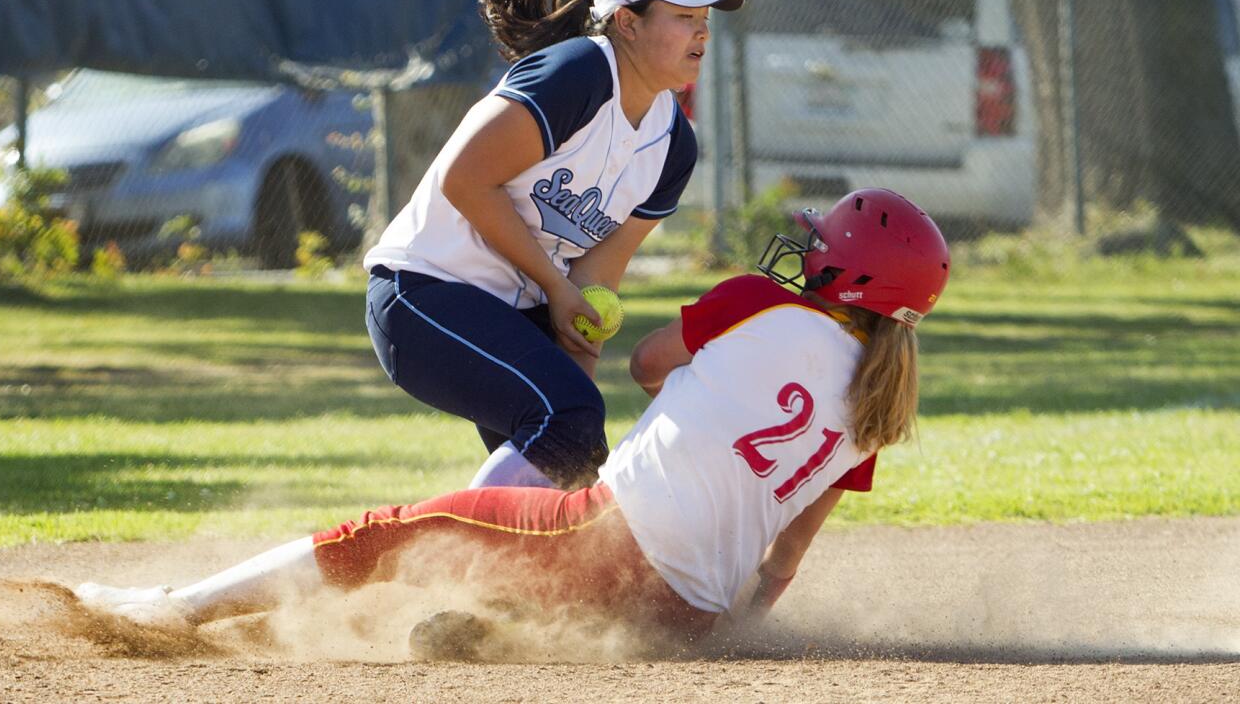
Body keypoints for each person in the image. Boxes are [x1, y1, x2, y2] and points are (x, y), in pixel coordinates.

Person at [75, 189, 951, 646]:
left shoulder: (761, 300)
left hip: (607, 538)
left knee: (401, 532)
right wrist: (730, 637)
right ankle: (505, 631)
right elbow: (784, 559)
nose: (808, 254)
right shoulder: (876, 410)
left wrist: (698, 409)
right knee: (558, 582)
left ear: (853, 279)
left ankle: (173, 611)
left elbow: (649, 364)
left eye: (825, 249)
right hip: (693, 615)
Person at [363, 0, 745, 491]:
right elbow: (466, 180)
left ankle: (488, 570)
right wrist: (555, 294)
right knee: (567, 419)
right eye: (684, 15)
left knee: (578, 476)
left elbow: (592, 284)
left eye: (704, 18)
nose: (702, 32)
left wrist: (580, 400)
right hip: (426, 291)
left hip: (517, 314)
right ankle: (446, 549)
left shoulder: (674, 145)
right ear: (626, 23)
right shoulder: (579, 73)